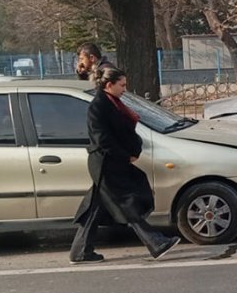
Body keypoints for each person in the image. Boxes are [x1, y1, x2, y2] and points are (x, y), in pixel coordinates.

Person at [70, 67, 180, 263]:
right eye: (122, 85)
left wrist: (133, 150)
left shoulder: (114, 103)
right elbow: (102, 139)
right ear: (109, 85)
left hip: (113, 163)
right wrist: (126, 156)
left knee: (96, 207)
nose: (124, 89)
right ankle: (156, 242)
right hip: (106, 164)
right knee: (125, 202)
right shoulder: (98, 107)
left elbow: (125, 131)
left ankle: (80, 252)